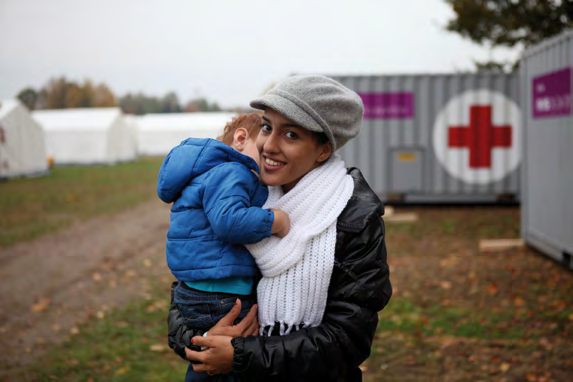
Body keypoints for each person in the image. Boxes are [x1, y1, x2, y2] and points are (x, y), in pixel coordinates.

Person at [167, 75, 392, 381]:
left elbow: (348, 339)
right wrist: (200, 338)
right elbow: (190, 284)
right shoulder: (240, 197)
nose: (269, 146)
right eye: (267, 127)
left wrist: (242, 356)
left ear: (323, 150)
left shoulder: (353, 218)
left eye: (291, 135)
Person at [157, 113, 290, 381]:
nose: (268, 160)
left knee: (209, 359)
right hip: (221, 295)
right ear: (241, 139)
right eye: (263, 151)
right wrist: (275, 220)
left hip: (200, 291)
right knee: (226, 363)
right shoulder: (234, 170)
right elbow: (228, 222)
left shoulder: (209, 173)